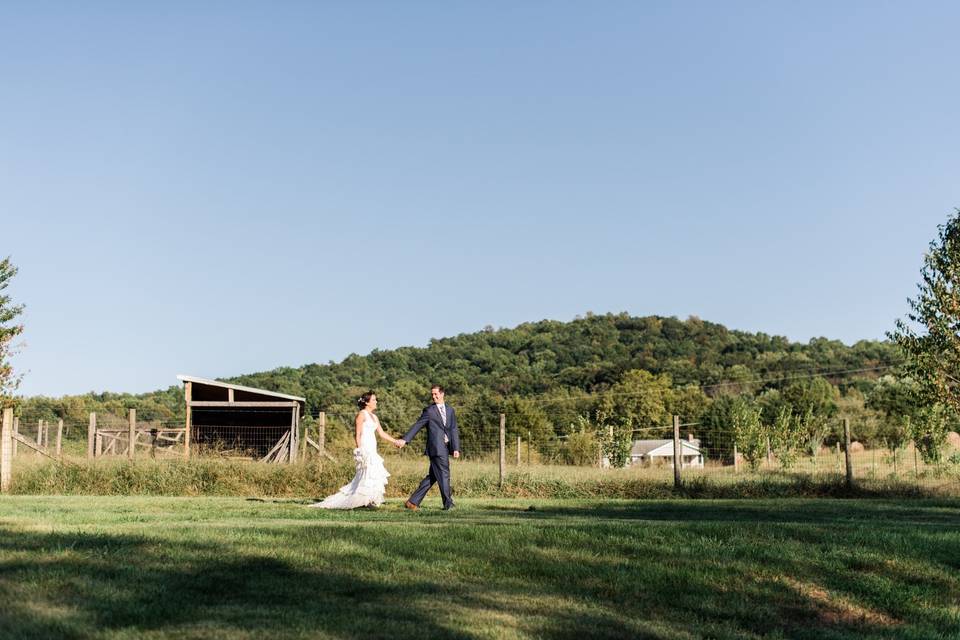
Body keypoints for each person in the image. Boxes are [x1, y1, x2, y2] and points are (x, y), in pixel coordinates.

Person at [310, 391, 403, 509]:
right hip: (365, 446)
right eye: (374, 400)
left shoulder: (374, 417)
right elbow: (357, 434)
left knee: (373, 472)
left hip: (372, 446)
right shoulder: (361, 414)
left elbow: (381, 433)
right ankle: (362, 500)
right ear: (367, 403)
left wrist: (395, 441)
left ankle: (369, 499)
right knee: (367, 471)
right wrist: (360, 450)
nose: (376, 402)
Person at [396, 384, 460, 510]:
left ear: (442, 394)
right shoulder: (429, 411)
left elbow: (453, 430)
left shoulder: (450, 410)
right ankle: (448, 504)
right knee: (444, 474)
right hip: (436, 448)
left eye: (436, 394)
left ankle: (412, 502)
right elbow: (417, 425)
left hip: (446, 448)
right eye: (432, 394)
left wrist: (455, 448)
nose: (434, 396)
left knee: (433, 476)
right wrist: (405, 440)